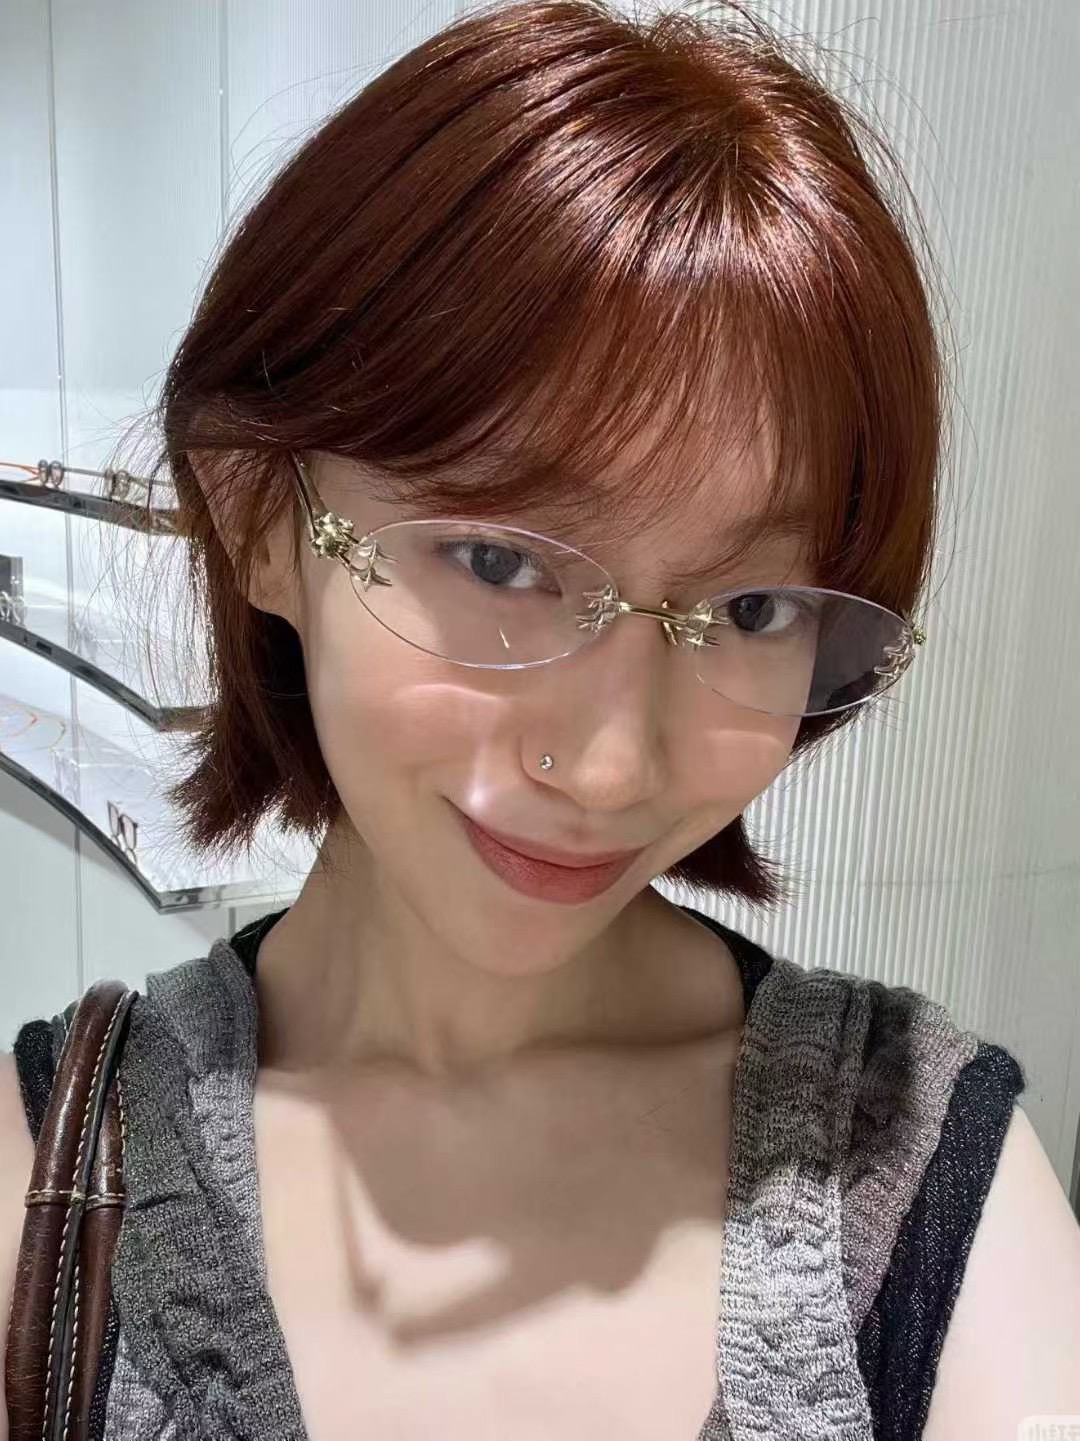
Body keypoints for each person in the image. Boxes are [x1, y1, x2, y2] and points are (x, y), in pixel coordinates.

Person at [3, 1, 1079, 1437]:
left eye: (754, 606)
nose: (615, 765)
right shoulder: (51, 1179)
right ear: (261, 519)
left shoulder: (923, 1180)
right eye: (501, 562)